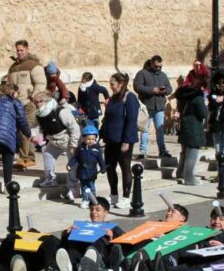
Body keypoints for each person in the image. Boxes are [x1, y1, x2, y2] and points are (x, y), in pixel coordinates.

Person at [101, 72, 140, 208]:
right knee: (110, 167)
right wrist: (100, 134)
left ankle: (126, 197)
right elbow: (107, 119)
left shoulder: (130, 98)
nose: (111, 87)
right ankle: (113, 195)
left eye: (113, 84)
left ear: (121, 84)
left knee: (125, 168)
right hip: (110, 139)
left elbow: (131, 120)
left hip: (123, 140)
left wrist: (126, 141)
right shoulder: (113, 98)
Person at [5, 40, 46, 168]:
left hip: (29, 103)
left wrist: (33, 98)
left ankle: (23, 158)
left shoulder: (34, 65)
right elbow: (8, 85)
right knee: (23, 131)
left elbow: (40, 83)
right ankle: (30, 157)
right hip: (15, 104)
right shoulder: (12, 67)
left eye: (21, 50)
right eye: (17, 50)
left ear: (27, 49)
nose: (19, 52)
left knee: (25, 130)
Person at [31, 90, 80, 191]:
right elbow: (35, 127)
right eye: (34, 102)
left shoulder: (61, 111)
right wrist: (33, 135)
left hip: (68, 140)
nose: (35, 104)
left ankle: (73, 186)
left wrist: (73, 144)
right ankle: (51, 179)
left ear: (45, 101)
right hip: (54, 140)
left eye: (37, 102)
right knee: (47, 153)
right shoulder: (39, 114)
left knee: (72, 163)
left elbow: (74, 128)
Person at [132, 55, 173, 159]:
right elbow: (137, 86)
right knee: (144, 130)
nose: (158, 68)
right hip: (146, 107)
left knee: (160, 130)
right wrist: (152, 90)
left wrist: (165, 90)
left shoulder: (163, 75)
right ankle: (143, 151)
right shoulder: (142, 73)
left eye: (160, 66)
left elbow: (170, 88)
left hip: (159, 107)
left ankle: (162, 150)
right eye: (156, 66)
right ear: (151, 63)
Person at [172, 85, 207, 187]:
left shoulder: (182, 96)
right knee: (192, 153)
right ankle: (189, 178)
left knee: (184, 152)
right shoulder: (197, 98)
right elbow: (203, 113)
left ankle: (180, 173)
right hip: (194, 128)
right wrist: (206, 104)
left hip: (184, 126)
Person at [71, 125, 105, 207]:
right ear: (83, 138)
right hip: (82, 171)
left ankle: (93, 200)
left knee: (91, 187)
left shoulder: (97, 149)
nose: (91, 141)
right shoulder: (80, 149)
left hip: (91, 172)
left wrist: (103, 167)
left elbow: (101, 160)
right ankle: (85, 200)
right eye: (88, 139)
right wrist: (70, 164)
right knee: (84, 187)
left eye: (93, 139)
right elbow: (76, 158)